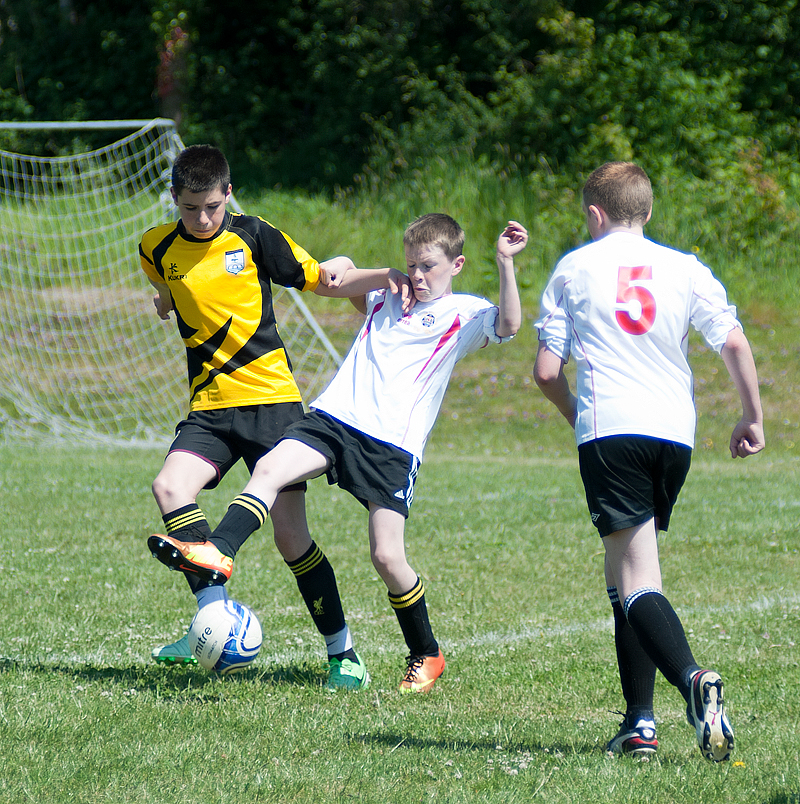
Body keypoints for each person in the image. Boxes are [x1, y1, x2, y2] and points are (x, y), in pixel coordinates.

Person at [151, 212, 527, 692]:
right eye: (411, 264)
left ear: (456, 265)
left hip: (391, 444)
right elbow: (338, 275)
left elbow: (510, 324)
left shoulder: (465, 314)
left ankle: (426, 653)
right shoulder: (387, 296)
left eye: (429, 266)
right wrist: (364, 270)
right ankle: (218, 550)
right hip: (334, 420)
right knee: (269, 469)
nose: (417, 275)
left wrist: (505, 262)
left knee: (387, 556)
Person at [139, 144, 412, 690]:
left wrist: (386, 276)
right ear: (173, 199)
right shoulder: (155, 248)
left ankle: (344, 654)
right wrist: (166, 302)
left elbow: (326, 280)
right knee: (170, 486)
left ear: (228, 193)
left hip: (271, 403)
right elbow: (167, 295)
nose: (202, 218)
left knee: (291, 538)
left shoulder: (254, 234)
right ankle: (211, 621)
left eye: (212, 206)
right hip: (210, 408)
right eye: (191, 208)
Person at [533, 161, 764, 761]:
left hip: (612, 428)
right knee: (626, 576)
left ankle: (693, 681)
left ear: (593, 213)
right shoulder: (685, 268)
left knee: (635, 581)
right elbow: (733, 340)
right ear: (648, 211)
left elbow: (546, 371)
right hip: (673, 434)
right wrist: (750, 416)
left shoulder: (574, 268)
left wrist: (578, 414)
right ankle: (639, 723)